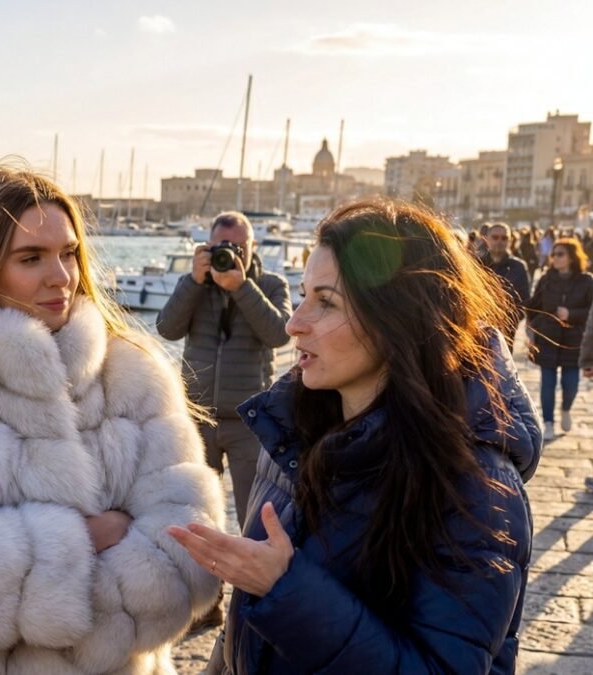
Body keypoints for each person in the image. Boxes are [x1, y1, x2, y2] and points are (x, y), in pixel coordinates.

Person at [0, 166, 225, 674]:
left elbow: (192, 551)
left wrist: (11, 539)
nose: (62, 276)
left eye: (69, 252)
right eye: (31, 258)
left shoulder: (134, 371)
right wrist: (95, 534)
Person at [169, 199, 540, 674]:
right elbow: (247, 623)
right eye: (303, 295)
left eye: (325, 302)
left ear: (400, 318)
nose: (294, 322)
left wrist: (285, 589)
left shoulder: (477, 487)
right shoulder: (291, 432)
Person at [155, 212, 292, 530]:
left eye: (238, 247)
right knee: (197, 516)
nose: (229, 254)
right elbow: (166, 328)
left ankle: (248, 581)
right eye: (221, 246)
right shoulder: (194, 285)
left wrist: (242, 287)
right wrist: (192, 281)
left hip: (249, 420)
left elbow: (279, 333)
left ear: (253, 247)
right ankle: (204, 580)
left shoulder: (270, 285)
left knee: (255, 517)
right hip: (198, 417)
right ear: (206, 246)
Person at [527, 237, 593, 440]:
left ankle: (566, 409)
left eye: (560, 254)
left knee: (570, 383)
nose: (554, 257)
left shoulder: (586, 281)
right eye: (553, 254)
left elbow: (591, 311)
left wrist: (571, 314)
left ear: (572, 257)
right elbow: (533, 306)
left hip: (575, 340)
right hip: (548, 338)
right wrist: (533, 329)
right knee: (547, 382)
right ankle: (548, 422)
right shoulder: (546, 278)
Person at [480, 222, 530, 350]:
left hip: (505, 332)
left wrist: (509, 320)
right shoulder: (476, 264)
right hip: (478, 331)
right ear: (487, 239)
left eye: (504, 238)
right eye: (495, 237)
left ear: (510, 240)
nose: (499, 241)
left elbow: (524, 301)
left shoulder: (518, 267)